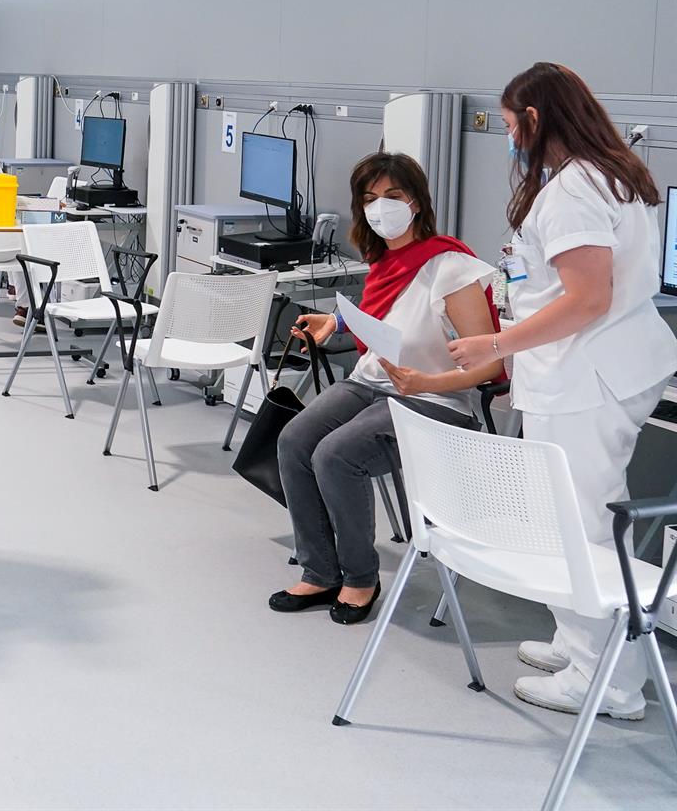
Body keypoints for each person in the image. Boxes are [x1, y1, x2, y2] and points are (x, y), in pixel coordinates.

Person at [447, 61, 677, 721]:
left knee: (580, 523)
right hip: (597, 368)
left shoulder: (576, 187)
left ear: (536, 118)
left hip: (586, 377)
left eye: (510, 124)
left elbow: (587, 300)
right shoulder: (606, 172)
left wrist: (495, 345)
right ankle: (580, 646)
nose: (508, 137)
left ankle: (609, 683)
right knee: (574, 514)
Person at [269, 152, 503, 625]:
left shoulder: (452, 267)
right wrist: (336, 322)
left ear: (416, 201)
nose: (380, 207)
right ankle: (320, 571)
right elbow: (387, 317)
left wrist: (426, 381)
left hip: (434, 398)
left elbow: (490, 364)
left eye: (392, 196)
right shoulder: (383, 260)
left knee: (336, 455)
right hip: (372, 383)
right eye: (370, 198)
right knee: (294, 440)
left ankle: (361, 579)